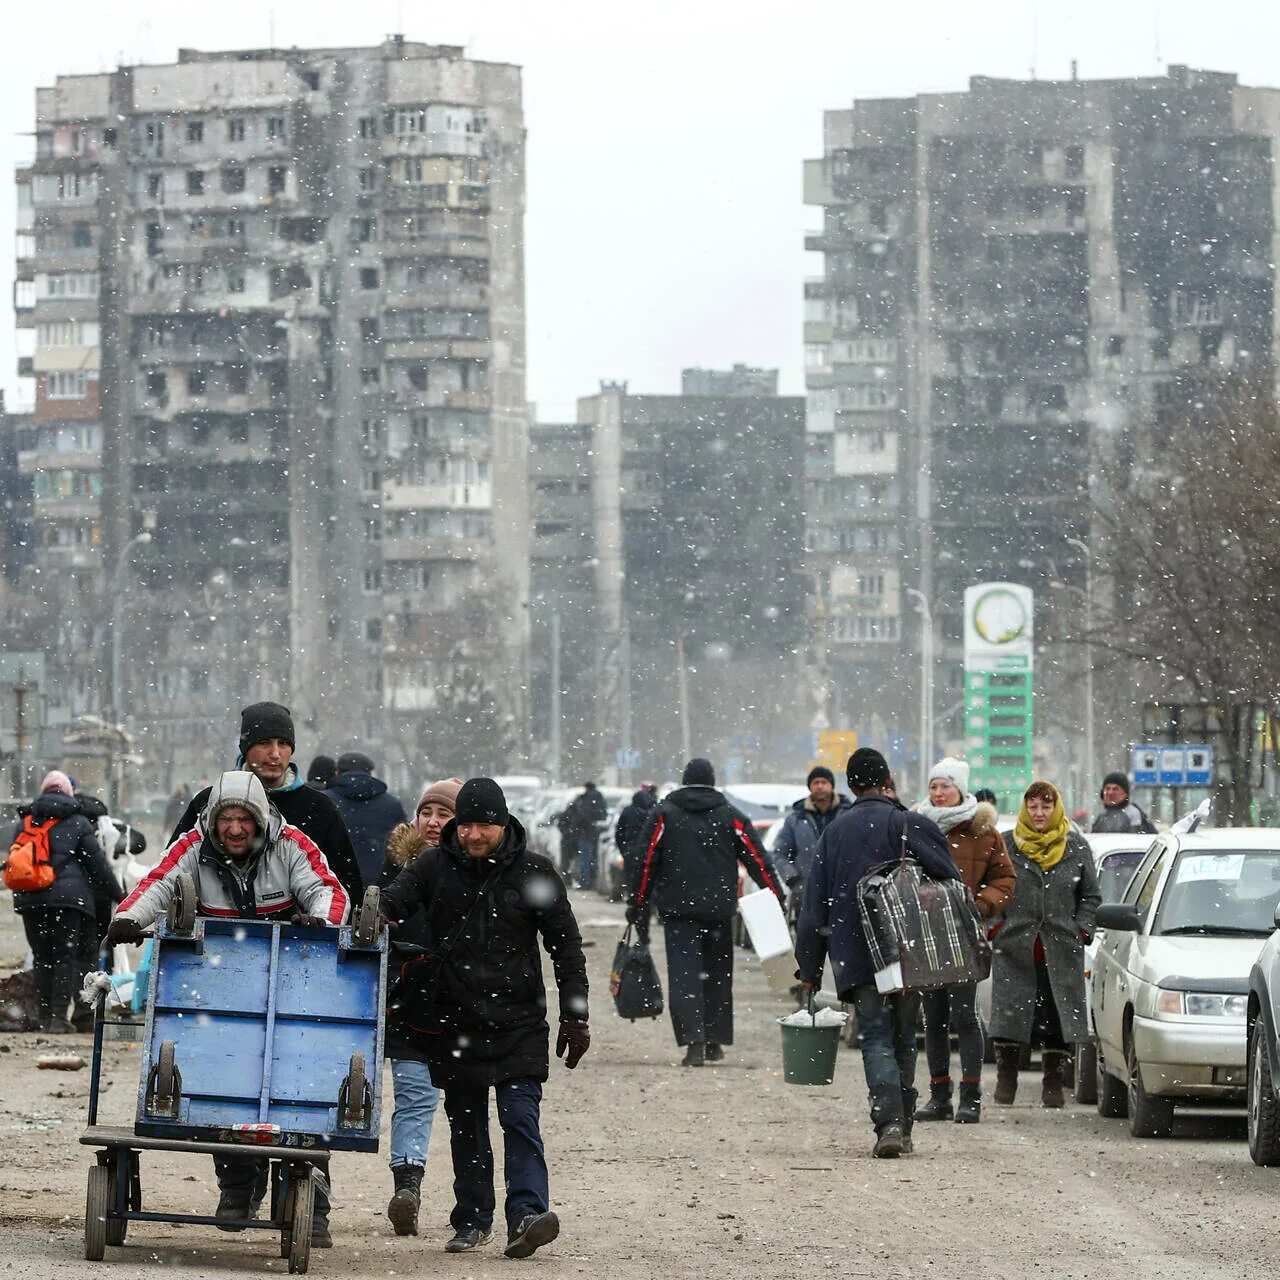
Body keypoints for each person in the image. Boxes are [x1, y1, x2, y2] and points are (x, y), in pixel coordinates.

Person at [107, 771, 349, 1246]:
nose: (234, 829)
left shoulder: (292, 846)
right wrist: (127, 920)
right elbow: (157, 884)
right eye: (226, 820)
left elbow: (330, 891)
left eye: (244, 820)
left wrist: (319, 920)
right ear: (212, 821)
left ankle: (312, 1202)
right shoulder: (191, 847)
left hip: (290, 982)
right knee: (223, 1081)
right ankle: (239, 1184)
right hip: (219, 983)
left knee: (301, 1086)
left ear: (260, 821)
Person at [380, 778, 589, 1259]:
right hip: (456, 1021)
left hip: (520, 1022)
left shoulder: (535, 871)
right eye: (467, 825)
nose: (475, 835)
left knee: (520, 1119)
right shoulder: (433, 865)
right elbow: (394, 901)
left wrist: (575, 1017)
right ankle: (472, 1220)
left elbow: (566, 948)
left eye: (485, 826)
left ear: (503, 823)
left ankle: (528, 1215)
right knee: (466, 1124)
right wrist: (374, 913)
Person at [794, 747, 961, 1158]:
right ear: (886, 779)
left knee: (875, 1037)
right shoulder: (910, 824)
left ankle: (887, 1120)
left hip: (857, 954)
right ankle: (901, 1123)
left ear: (850, 785)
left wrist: (810, 967)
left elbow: (814, 906)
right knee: (905, 1034)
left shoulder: (834, 833)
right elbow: (950, 878)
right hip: (904, 952)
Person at [626, 758, 785, 1067]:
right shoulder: (730, 816)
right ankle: (714, 1039)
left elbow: (645, 861)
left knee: (685, 977)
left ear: (685, 780)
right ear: (712, 781)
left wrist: (637, 901)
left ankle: (693, 1043)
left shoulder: (664, 814)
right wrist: (774, 893)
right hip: (718, 911)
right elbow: (756, 856)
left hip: (678, 912)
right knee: (716, 977)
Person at [169, 701, 363, 901]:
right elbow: (174, 872)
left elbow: (345, 884)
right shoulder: (208, 801)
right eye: (264, 743)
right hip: (214, 928)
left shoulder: (319, 807)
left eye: (283, 744)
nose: (275, 753)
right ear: (245, 749)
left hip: (300, 931)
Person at [377, 776, 461, 1237]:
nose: (432, 822)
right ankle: (403, 1184)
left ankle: (423, 1189)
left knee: (433, 1098)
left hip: (444, 1005)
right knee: (400, 1094)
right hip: (397, 999)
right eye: (427, 812)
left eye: (443, 814)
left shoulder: (473, 873)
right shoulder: (393, 868)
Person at [912, 757, 1017, 1125]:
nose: (938, 793)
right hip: (926, 935)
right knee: (934, 1017)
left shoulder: (983, 830)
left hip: (965, 934)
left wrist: (980, 904)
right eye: (934, 786)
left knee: (966, 1016)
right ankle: (939, 1095)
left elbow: (1005, 878)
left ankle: (970, 1096)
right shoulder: (915, 826)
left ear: (961, 789)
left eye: (946, 786)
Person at [989, 780, 1101, 1108]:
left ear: (1056, 808)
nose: (1039, 813)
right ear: (1026, 808)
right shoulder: (1008, 844)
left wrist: (1082, 929)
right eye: (1034, 806)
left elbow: (1091, 896)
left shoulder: (1076, 847)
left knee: (1056, 1017)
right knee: (1010, 1018)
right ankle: (1006, 1079)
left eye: (1046, 806)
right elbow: (991, 888)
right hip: (1015, 947)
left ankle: (1053, 1083)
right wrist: (995, 927)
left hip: (1061, 948)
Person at [7, 771, 120, 1033]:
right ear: (68, 793)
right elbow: (98, 866)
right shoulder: (79, 822)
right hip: (69, 902)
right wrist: (118, 894)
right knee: (67, 957)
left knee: (42, 957)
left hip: (31, 899)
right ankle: (65, 1017)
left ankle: (45, 1016)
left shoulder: (25, 822)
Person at [323, 751, 408, 889]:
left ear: (337, 772)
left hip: (334, 885)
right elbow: (403, 848)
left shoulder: (324, 801)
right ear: (370, 773)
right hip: (382, 885)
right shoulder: (392, 804)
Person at [771, 766, 853, 907]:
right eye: (816, 783)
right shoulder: (795, 820)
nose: (820, 786)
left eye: (824, 782)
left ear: (831, 785)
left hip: (844, 893)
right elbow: (780, 854)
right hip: (806, 895)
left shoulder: (849, 815)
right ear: (810, 787)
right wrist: (794, 880)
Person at [562, 781, 608, 890]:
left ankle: (584, 883)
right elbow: (603, 815)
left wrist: (575, 829)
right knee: (593, 860)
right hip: (596, 834)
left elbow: (581, 817)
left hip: (585, 834)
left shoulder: (585, 800)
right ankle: (592, 882)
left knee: (584, 860)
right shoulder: (600, 800)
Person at [613, 783, 657, 885]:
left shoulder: (627, 811)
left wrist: (623, 848)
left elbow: (619, 831)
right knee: (643, 876)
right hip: (644, 849)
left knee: (629, 875)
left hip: (630, 848)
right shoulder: (650, 813)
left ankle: (630, 892)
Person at [1091, 771, 1157, 835]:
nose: (1110, 793)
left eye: (1115, 789)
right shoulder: (1101, 816)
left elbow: (1134, 840)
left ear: (1125, 794)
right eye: (1107, 789)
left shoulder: (1133, 814)